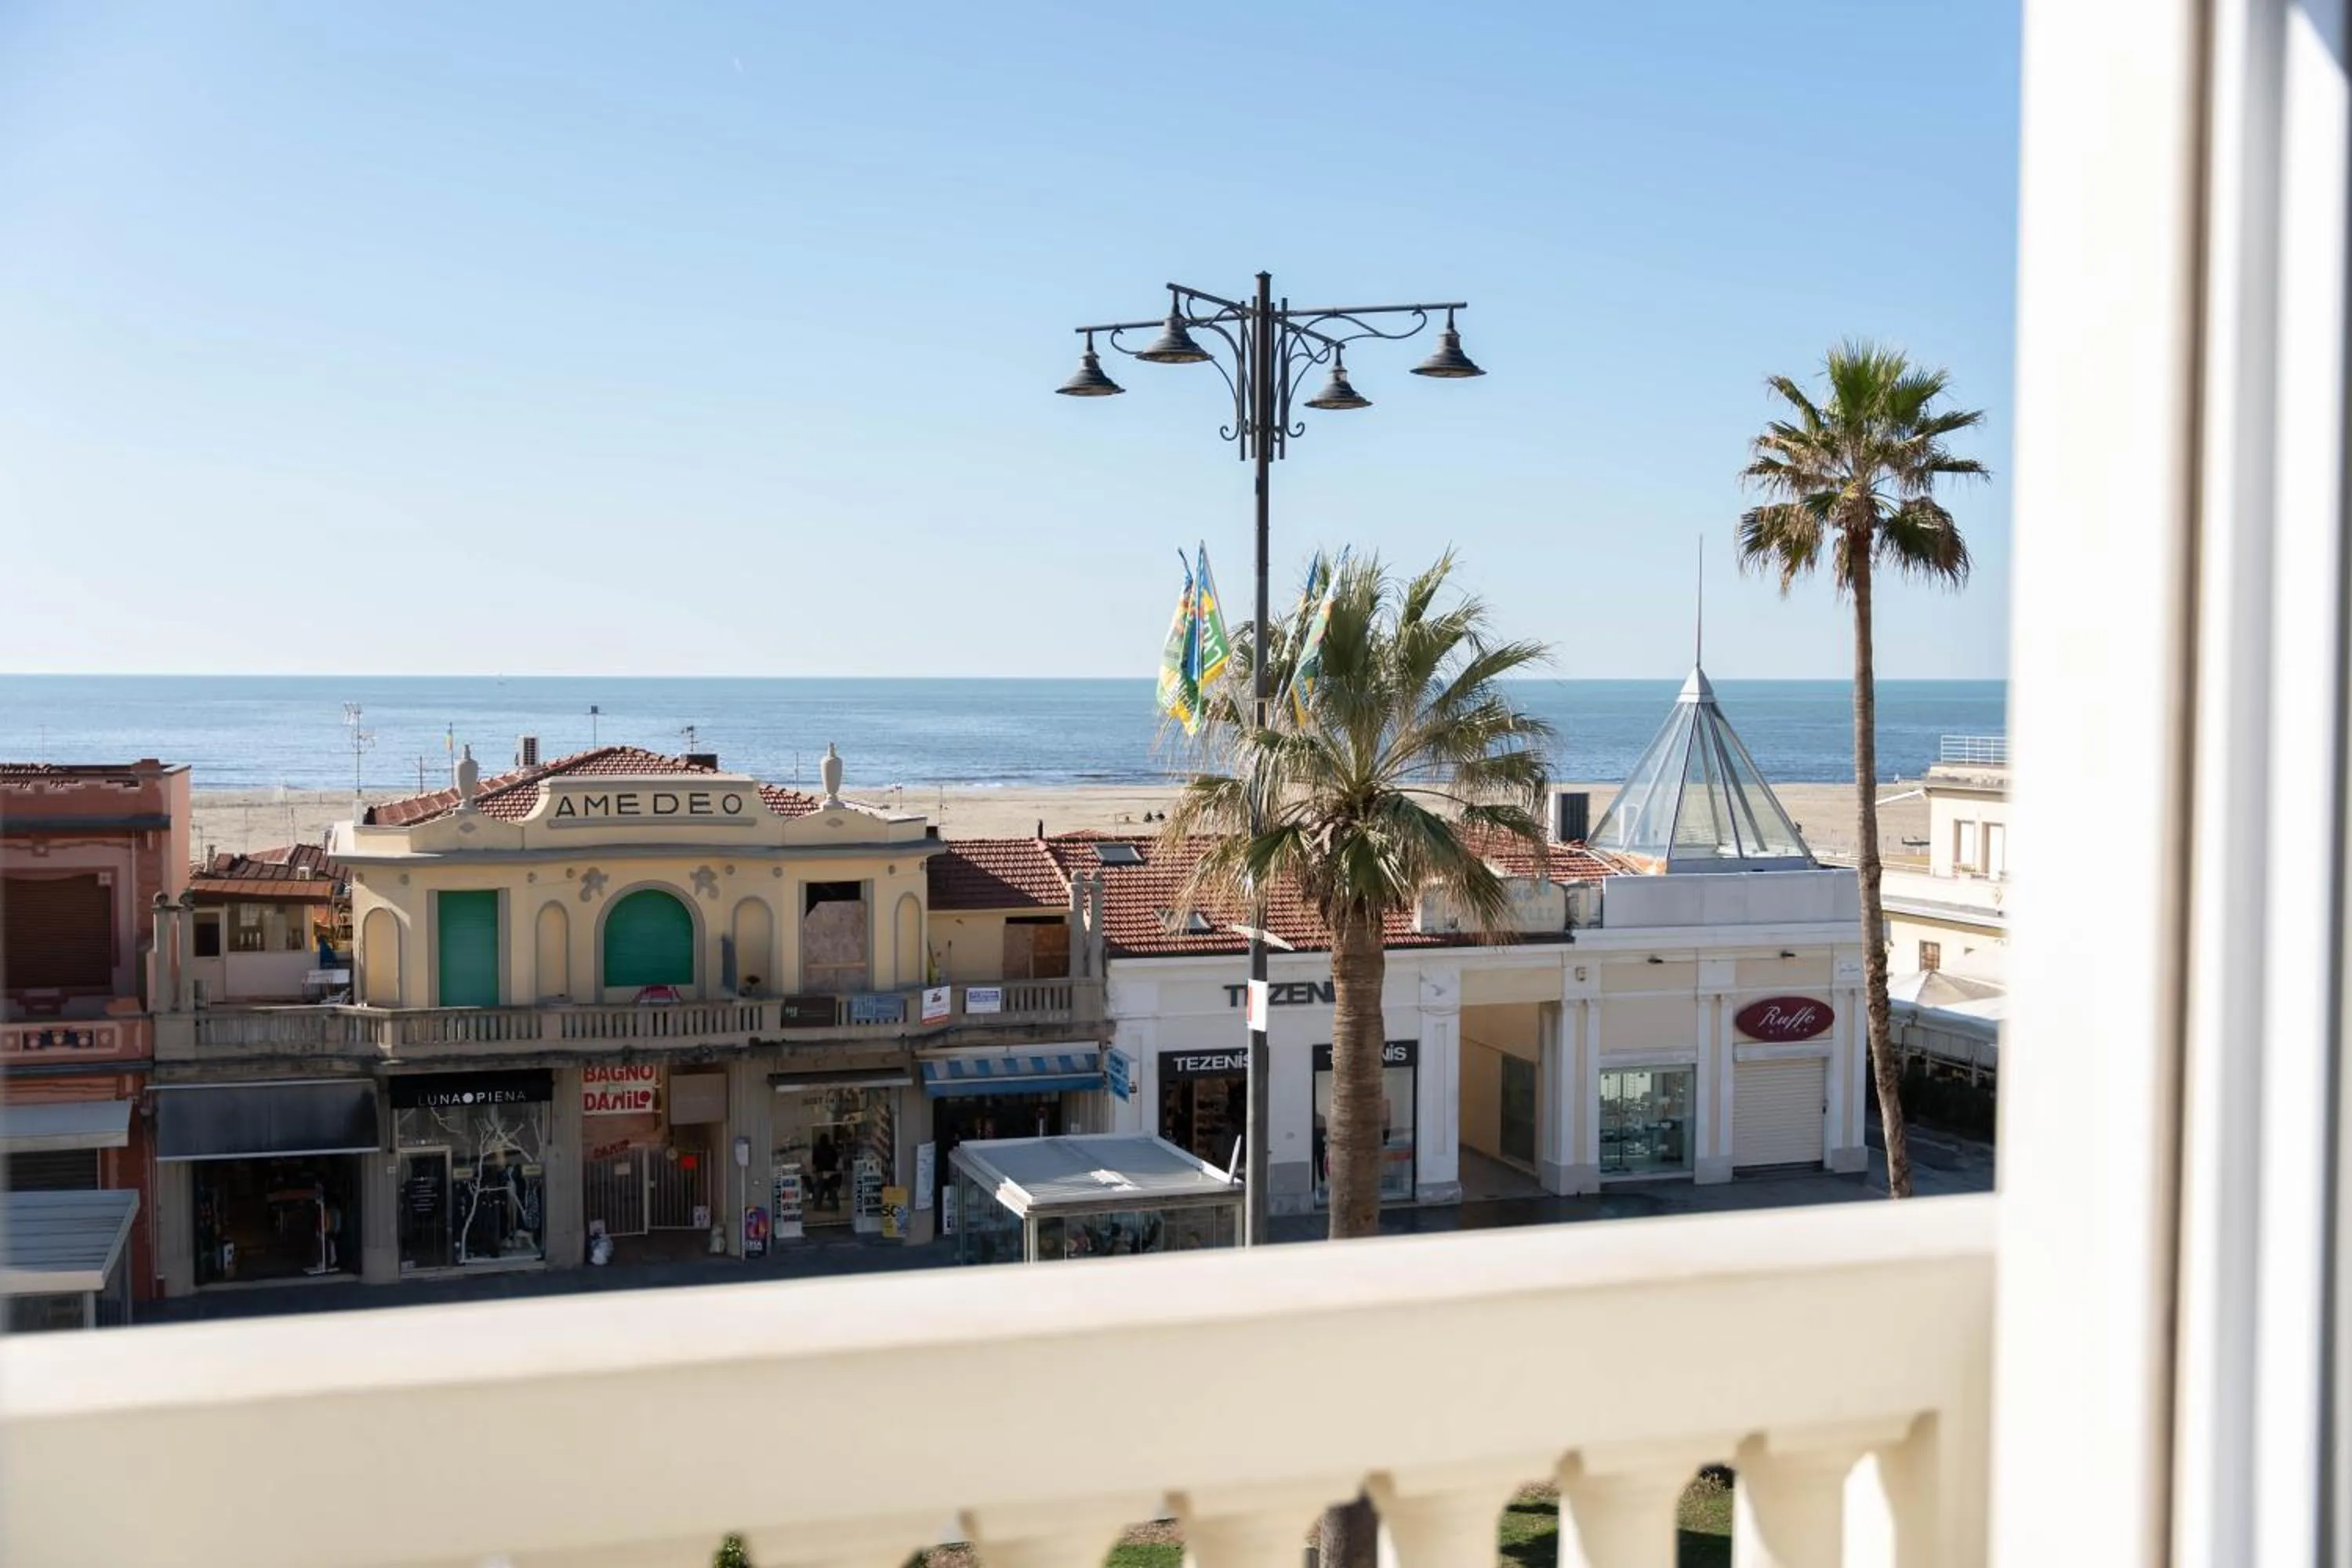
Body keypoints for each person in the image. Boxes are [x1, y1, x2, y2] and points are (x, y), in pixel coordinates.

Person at [811, 1133, 840, 1210]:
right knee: (831, 1189)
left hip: (821, 1171)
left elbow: (814, 1160)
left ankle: (817, 1205)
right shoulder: (831, 1148)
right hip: (831, 1170)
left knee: (820, 1189)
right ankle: (835, 1204)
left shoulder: (817, 1149)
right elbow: (836, 1158)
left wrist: (815, 1169)